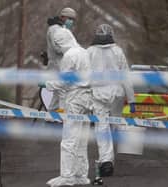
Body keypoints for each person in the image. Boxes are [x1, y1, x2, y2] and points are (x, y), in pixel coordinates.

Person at [44, 26, 92, 187]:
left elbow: (63, 81)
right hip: (87, 98)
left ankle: (67, 177)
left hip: (75, 98)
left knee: (69, 140)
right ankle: (81, 175)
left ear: (59, 42)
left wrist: (47, 84)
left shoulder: (69, 56)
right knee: (82, 139)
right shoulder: (84, 52)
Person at [87, 24, 136, 177]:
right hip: (116, 93)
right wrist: (132, 99)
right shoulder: (117, 51)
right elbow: (125, 76)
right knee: (113, 125)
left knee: (101, 128)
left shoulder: (89, 52)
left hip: (98, 94)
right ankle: (108, 159)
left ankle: (106, 159)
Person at [42, 7, 77, 112]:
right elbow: (57, 48)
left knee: (58, 95)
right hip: (56, 66)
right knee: (62, 91)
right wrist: (72, 51)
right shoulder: (54, 29)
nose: (71, 21)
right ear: (62, 17)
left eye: (73, 20)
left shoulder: (62, 29)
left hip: (62, 65)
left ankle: (51, 118)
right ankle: (60, 118)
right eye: (69, 18)